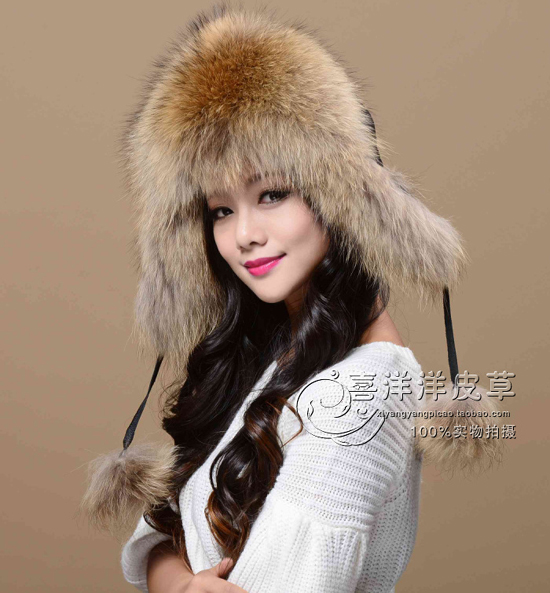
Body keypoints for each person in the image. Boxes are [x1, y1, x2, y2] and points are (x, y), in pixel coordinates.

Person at [80, 4, 504, 592]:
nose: (243, 235)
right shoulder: (275, 354)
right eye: (220, 210)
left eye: (272, 194)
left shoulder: (365, 391)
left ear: (341, 194)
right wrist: (182, 583)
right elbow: (158, 537)